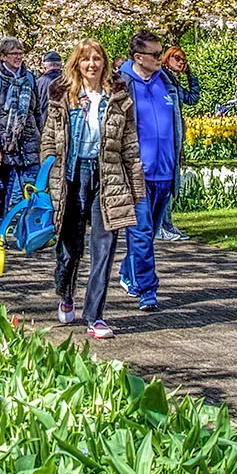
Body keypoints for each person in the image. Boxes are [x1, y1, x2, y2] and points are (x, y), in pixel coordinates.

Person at [40, 39, 141, 339]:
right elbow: (49, 138)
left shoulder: (119, 95)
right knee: (69, 246)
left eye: (97, 59)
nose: (92, 64)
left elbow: (130, 144)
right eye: (86, 60)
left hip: (108, 176)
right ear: (77, 64)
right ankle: (66, 292)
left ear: (105, 63)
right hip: (72, 175)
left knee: (104, 248)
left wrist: (136, 190)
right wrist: (48, 177)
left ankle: (95, 315)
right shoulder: (62, 95)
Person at [116, 30, 188, 313]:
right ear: (138, 58)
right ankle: (148, 291)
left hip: (165, 172)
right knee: (142, 232)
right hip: (138, 173)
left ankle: (128, 271)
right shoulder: (122, 84)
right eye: (156, 55)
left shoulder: (166, 83)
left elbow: (176, 125)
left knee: (149, 232)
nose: (162, 59)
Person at [0, 37, 47, 243]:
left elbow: (37, 113)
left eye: (20, 53)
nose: (18, 57)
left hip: (28, 145)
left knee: (33, 192)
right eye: (13, 53)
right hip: (2, 146)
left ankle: (29, 234)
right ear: (3, 57)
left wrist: (43, 140)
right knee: (1, 194)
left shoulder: (30, 79)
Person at [155, 46, 201, 242]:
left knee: (171, 177)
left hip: (174, 135)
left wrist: (191, 75)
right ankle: (162, 225)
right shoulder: (163, 78)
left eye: (184, 60)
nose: (181, 62)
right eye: (177, 58)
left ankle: (167, 223)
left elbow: (192, 98)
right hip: (167, 136)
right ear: (167, 58)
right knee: (166, 178)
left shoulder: (172, 79)